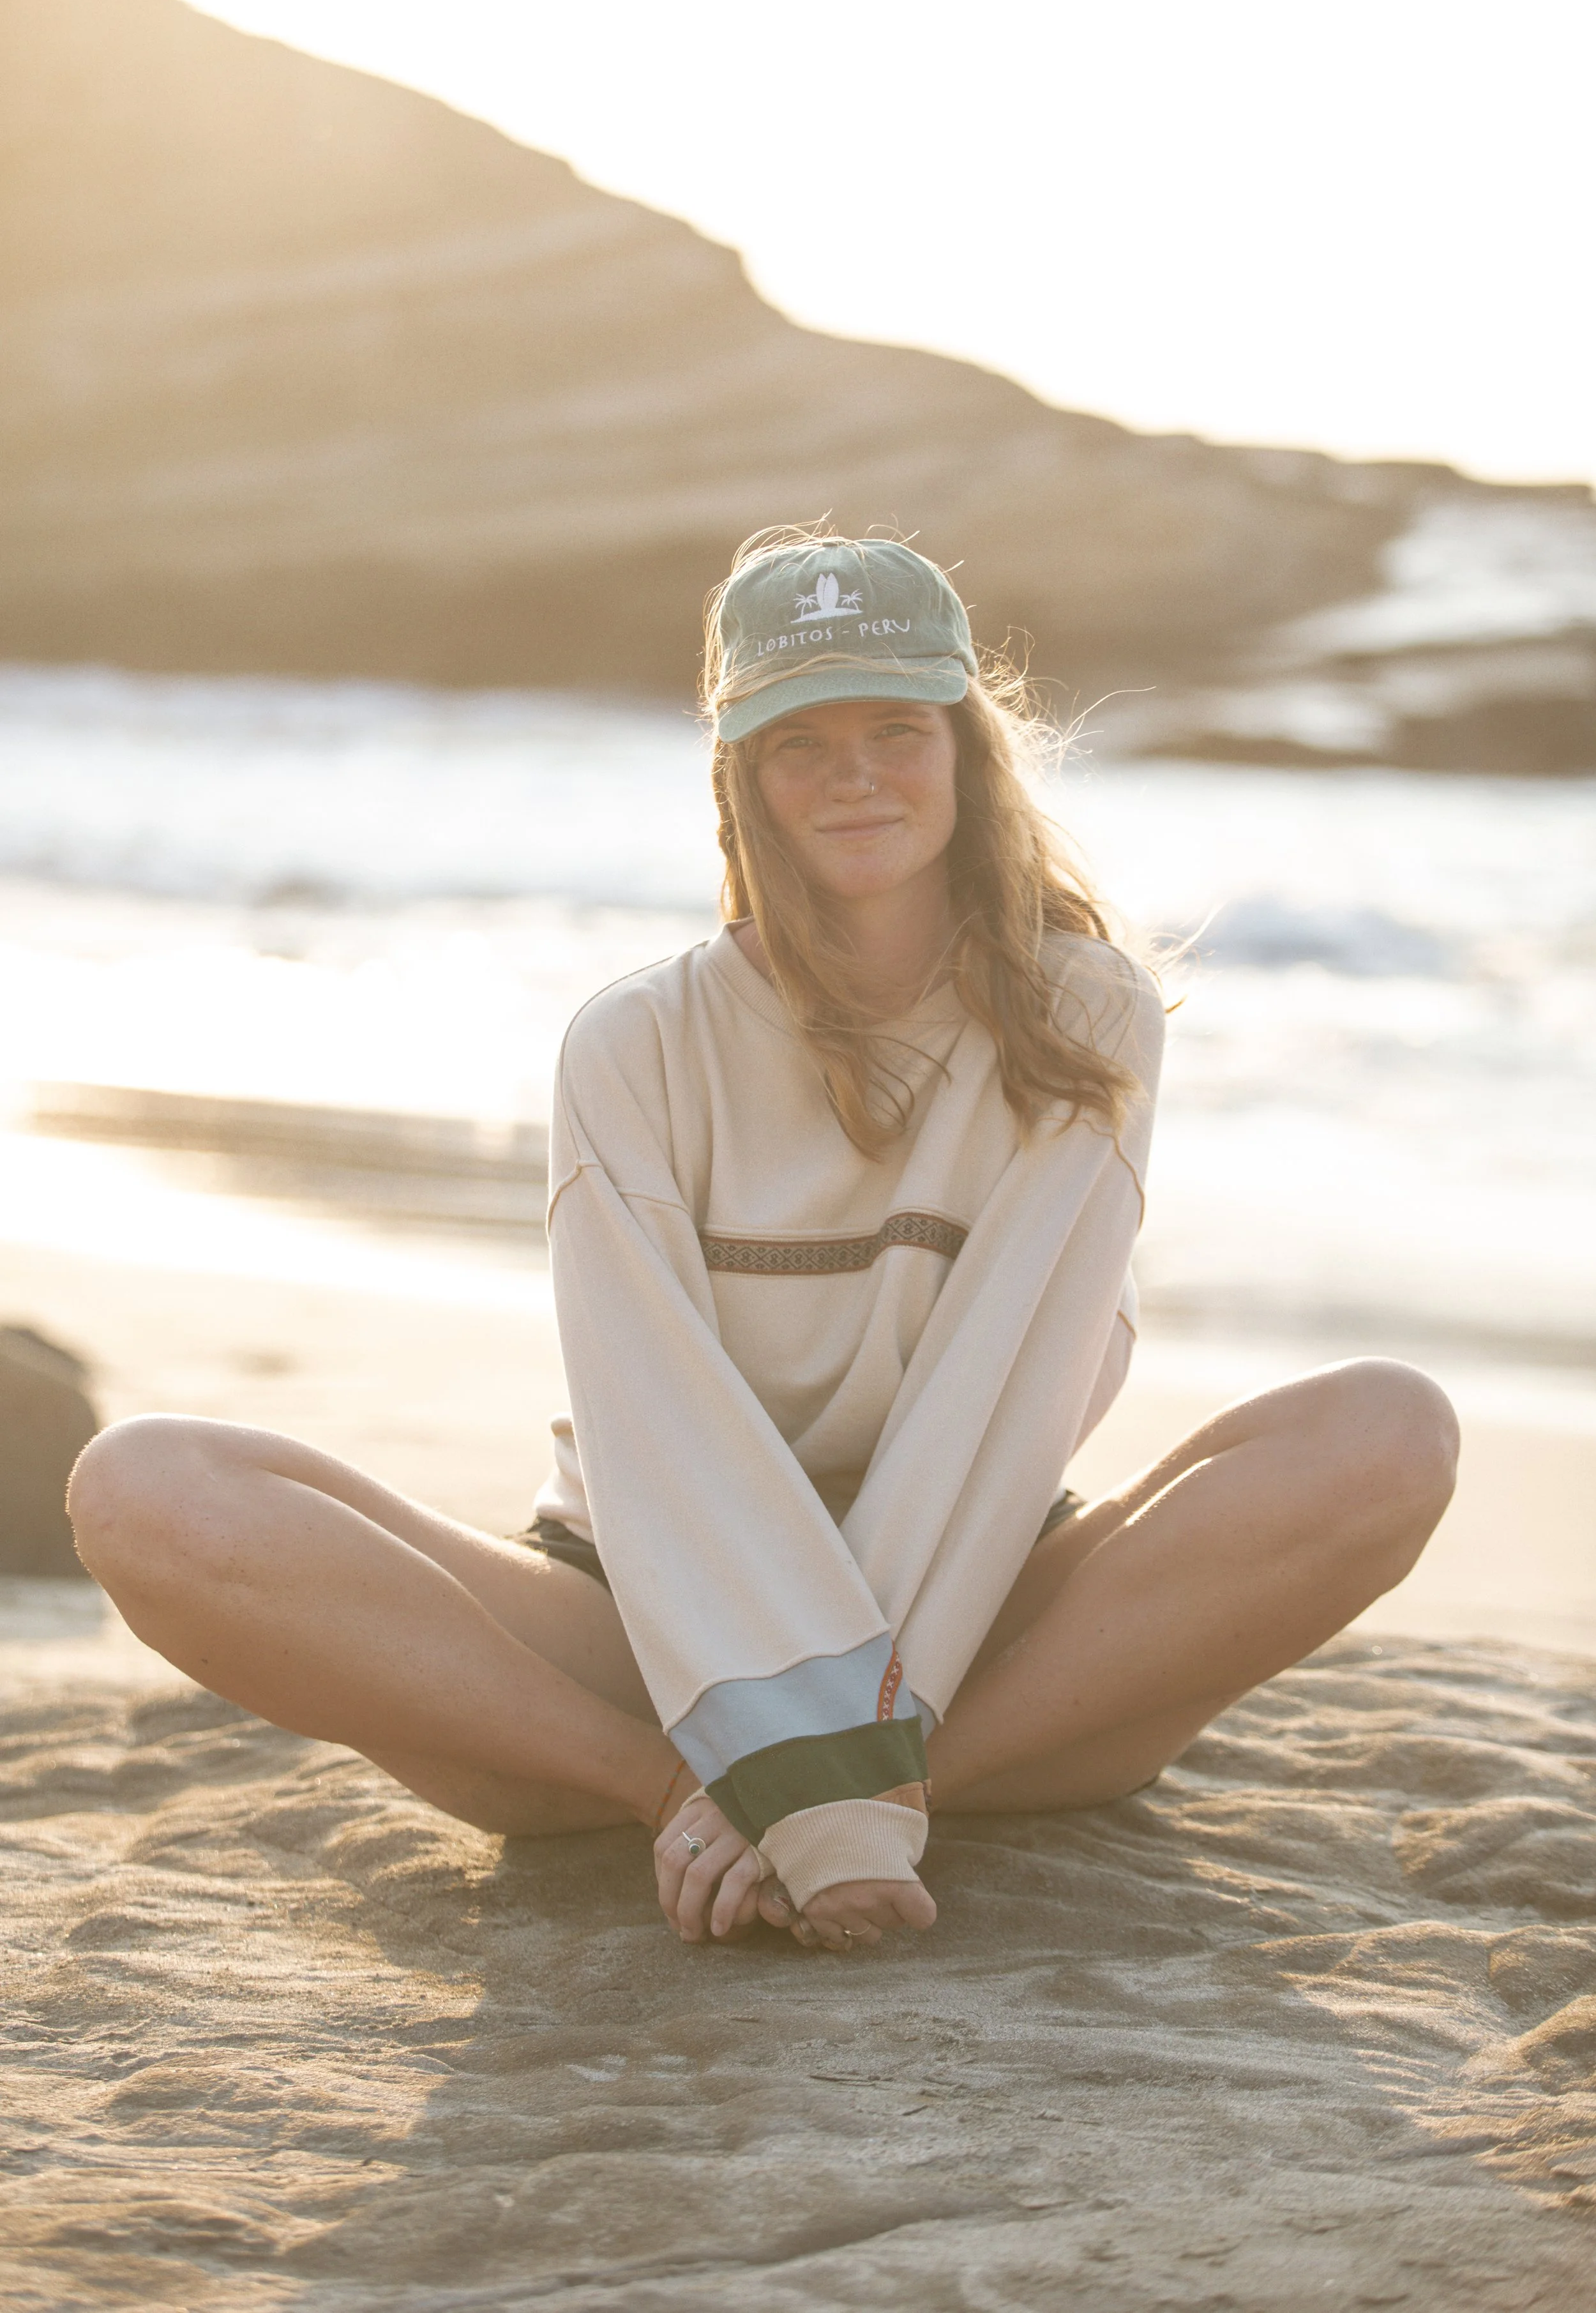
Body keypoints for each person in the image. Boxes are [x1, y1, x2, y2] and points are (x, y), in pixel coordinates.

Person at [68, 530, 1459, 1957]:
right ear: (740, 778)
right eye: (801, 740)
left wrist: (836, 1785)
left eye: (894, 729)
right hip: (640, 1627)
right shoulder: (635, 1042)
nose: (854, 772)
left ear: (964, 752)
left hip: (975, 1618)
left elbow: (1002, 1397)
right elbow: (652, 1422)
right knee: (147, 1488)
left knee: (1386, 1431)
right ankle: (673, 1792)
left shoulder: (1084, 1019)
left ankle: (863, 1794)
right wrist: (746, 1759)